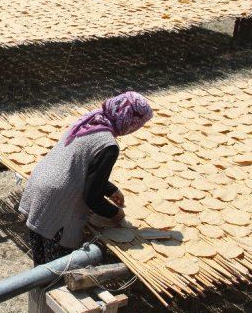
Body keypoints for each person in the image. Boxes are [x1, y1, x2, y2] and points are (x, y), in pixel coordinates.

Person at [19, 91, 153, 266]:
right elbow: (92, 197)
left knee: (40, 264)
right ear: (130, 121)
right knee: (56, 270)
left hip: (41, 184)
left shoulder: (90, 121)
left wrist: (111, 189)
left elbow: (82, 165)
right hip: (58, 202)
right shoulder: (108, 145)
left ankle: (38, 291)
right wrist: (115, 214)